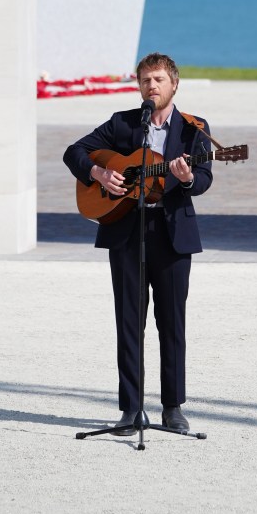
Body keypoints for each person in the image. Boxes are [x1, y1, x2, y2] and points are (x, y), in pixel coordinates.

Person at [63, 52, 213, 434]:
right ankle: (131, 409)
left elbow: (205, 176)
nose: (152, 86)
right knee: (129, 322)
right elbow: (74, 152)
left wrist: (188, 178)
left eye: (159, 79)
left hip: (172, 235)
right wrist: (99, 172)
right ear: (139, 86)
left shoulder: (194, 129)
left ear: (174, 84)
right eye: (146, 80)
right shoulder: (123, 123)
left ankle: (172, 407)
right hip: (127, 232)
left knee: (171, 323)